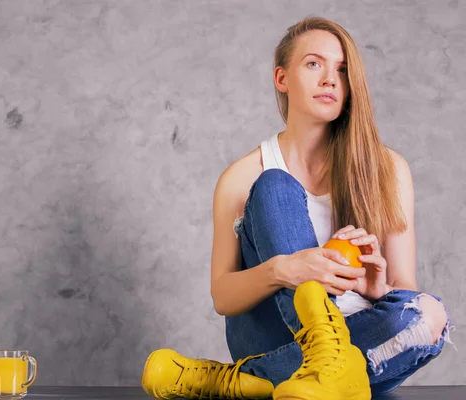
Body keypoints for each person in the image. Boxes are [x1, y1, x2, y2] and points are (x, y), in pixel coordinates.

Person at [141, 16, 457, 400]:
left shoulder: (389, 169)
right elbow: (223, 296)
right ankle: (321, 360)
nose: (330, 79)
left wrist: (373, 286)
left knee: (427, 314)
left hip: (360, 332)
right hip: (274, 335)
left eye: (341, 70)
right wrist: (283, 270)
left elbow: (403, 292)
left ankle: (237, 382)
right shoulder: (243, 176)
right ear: (282, 78)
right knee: (275, 184)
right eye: (313, 64)